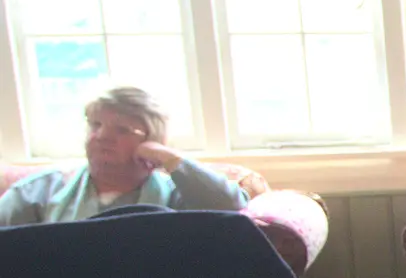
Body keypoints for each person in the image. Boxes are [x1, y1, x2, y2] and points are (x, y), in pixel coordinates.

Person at [0, 87, 248, 227]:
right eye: (95, 125)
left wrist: (171, 159)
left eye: (122, 130)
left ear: (151, 142)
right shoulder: (39, 191)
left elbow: (232, 205)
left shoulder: (178, 193)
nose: (102, 136)